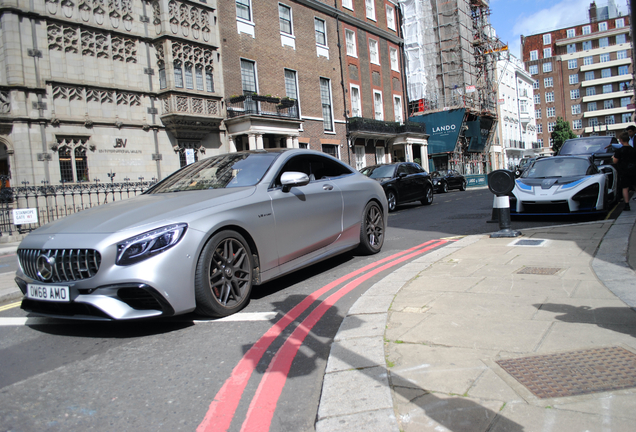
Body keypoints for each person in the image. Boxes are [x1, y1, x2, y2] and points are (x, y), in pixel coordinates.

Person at [612, 132, 636, 211]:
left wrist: (613, 157)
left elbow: (615, 161)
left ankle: (627, 205)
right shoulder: (633, 150)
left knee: (625, 188)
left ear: (621, 140)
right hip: (634, 170)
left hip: (624, 171)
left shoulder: (619, 151)